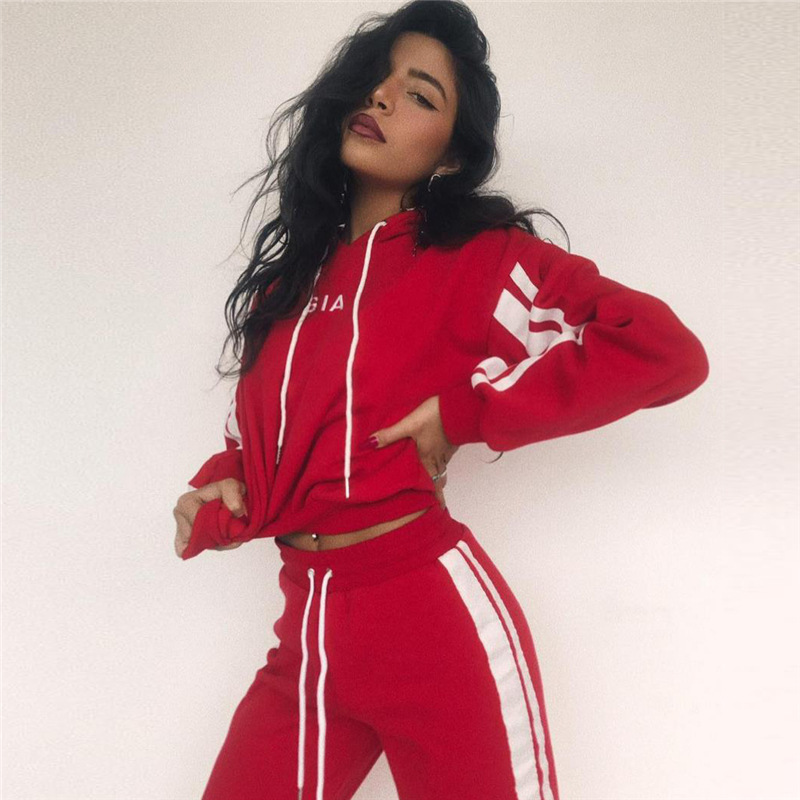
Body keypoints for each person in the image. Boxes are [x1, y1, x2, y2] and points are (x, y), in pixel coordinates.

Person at [172, 2, 710, 798]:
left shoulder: (479, 264)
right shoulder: (282, 293)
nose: (383, 97)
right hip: (306, 636)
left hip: (431, 627)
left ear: (452, 155)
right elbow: (253, 442)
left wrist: (467, 412)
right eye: (377, 80)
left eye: (420, 94)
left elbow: (662, 350)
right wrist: (220, 484)